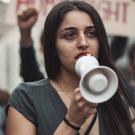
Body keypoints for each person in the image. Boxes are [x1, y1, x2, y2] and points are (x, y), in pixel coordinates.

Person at [6, 1, 135, 135]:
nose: (83, 43)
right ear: (53, 46)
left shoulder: (119, 104)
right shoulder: (26, 98)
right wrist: (70, 123)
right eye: (70, 35)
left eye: (91, 33)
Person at [18, 7, 44, 82]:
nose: (80, 43)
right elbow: (30, 73)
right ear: (42, 49)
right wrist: (25, 33)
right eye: (69, 35)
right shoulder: (41, 85)